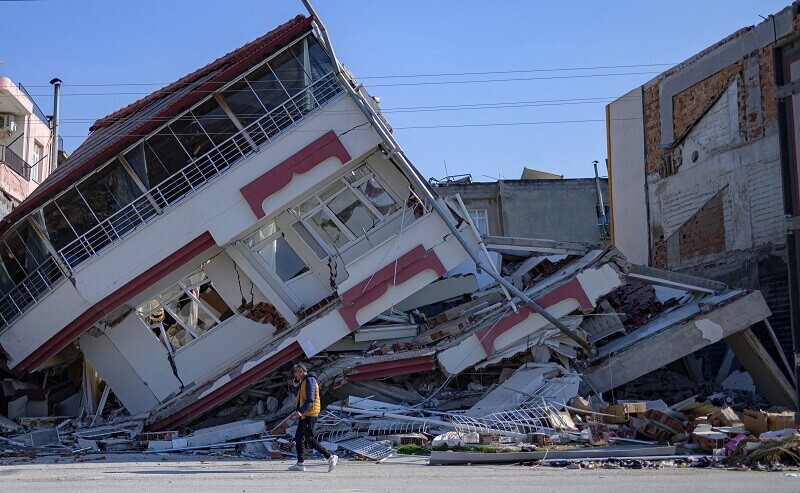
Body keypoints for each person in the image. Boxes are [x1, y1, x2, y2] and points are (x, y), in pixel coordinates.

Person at [288, 362, 338, 472]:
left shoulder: (309, 381)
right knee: (298, 437)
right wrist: (297, 381)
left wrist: (300, 412)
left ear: (301, 371)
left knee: (309, 439)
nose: (294, 374)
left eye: (295, 371)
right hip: (305, 414)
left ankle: (330, 457)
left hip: (309, 414)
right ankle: (300, 464)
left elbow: (310, 400)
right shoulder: (304, 381)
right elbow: (298, 392)